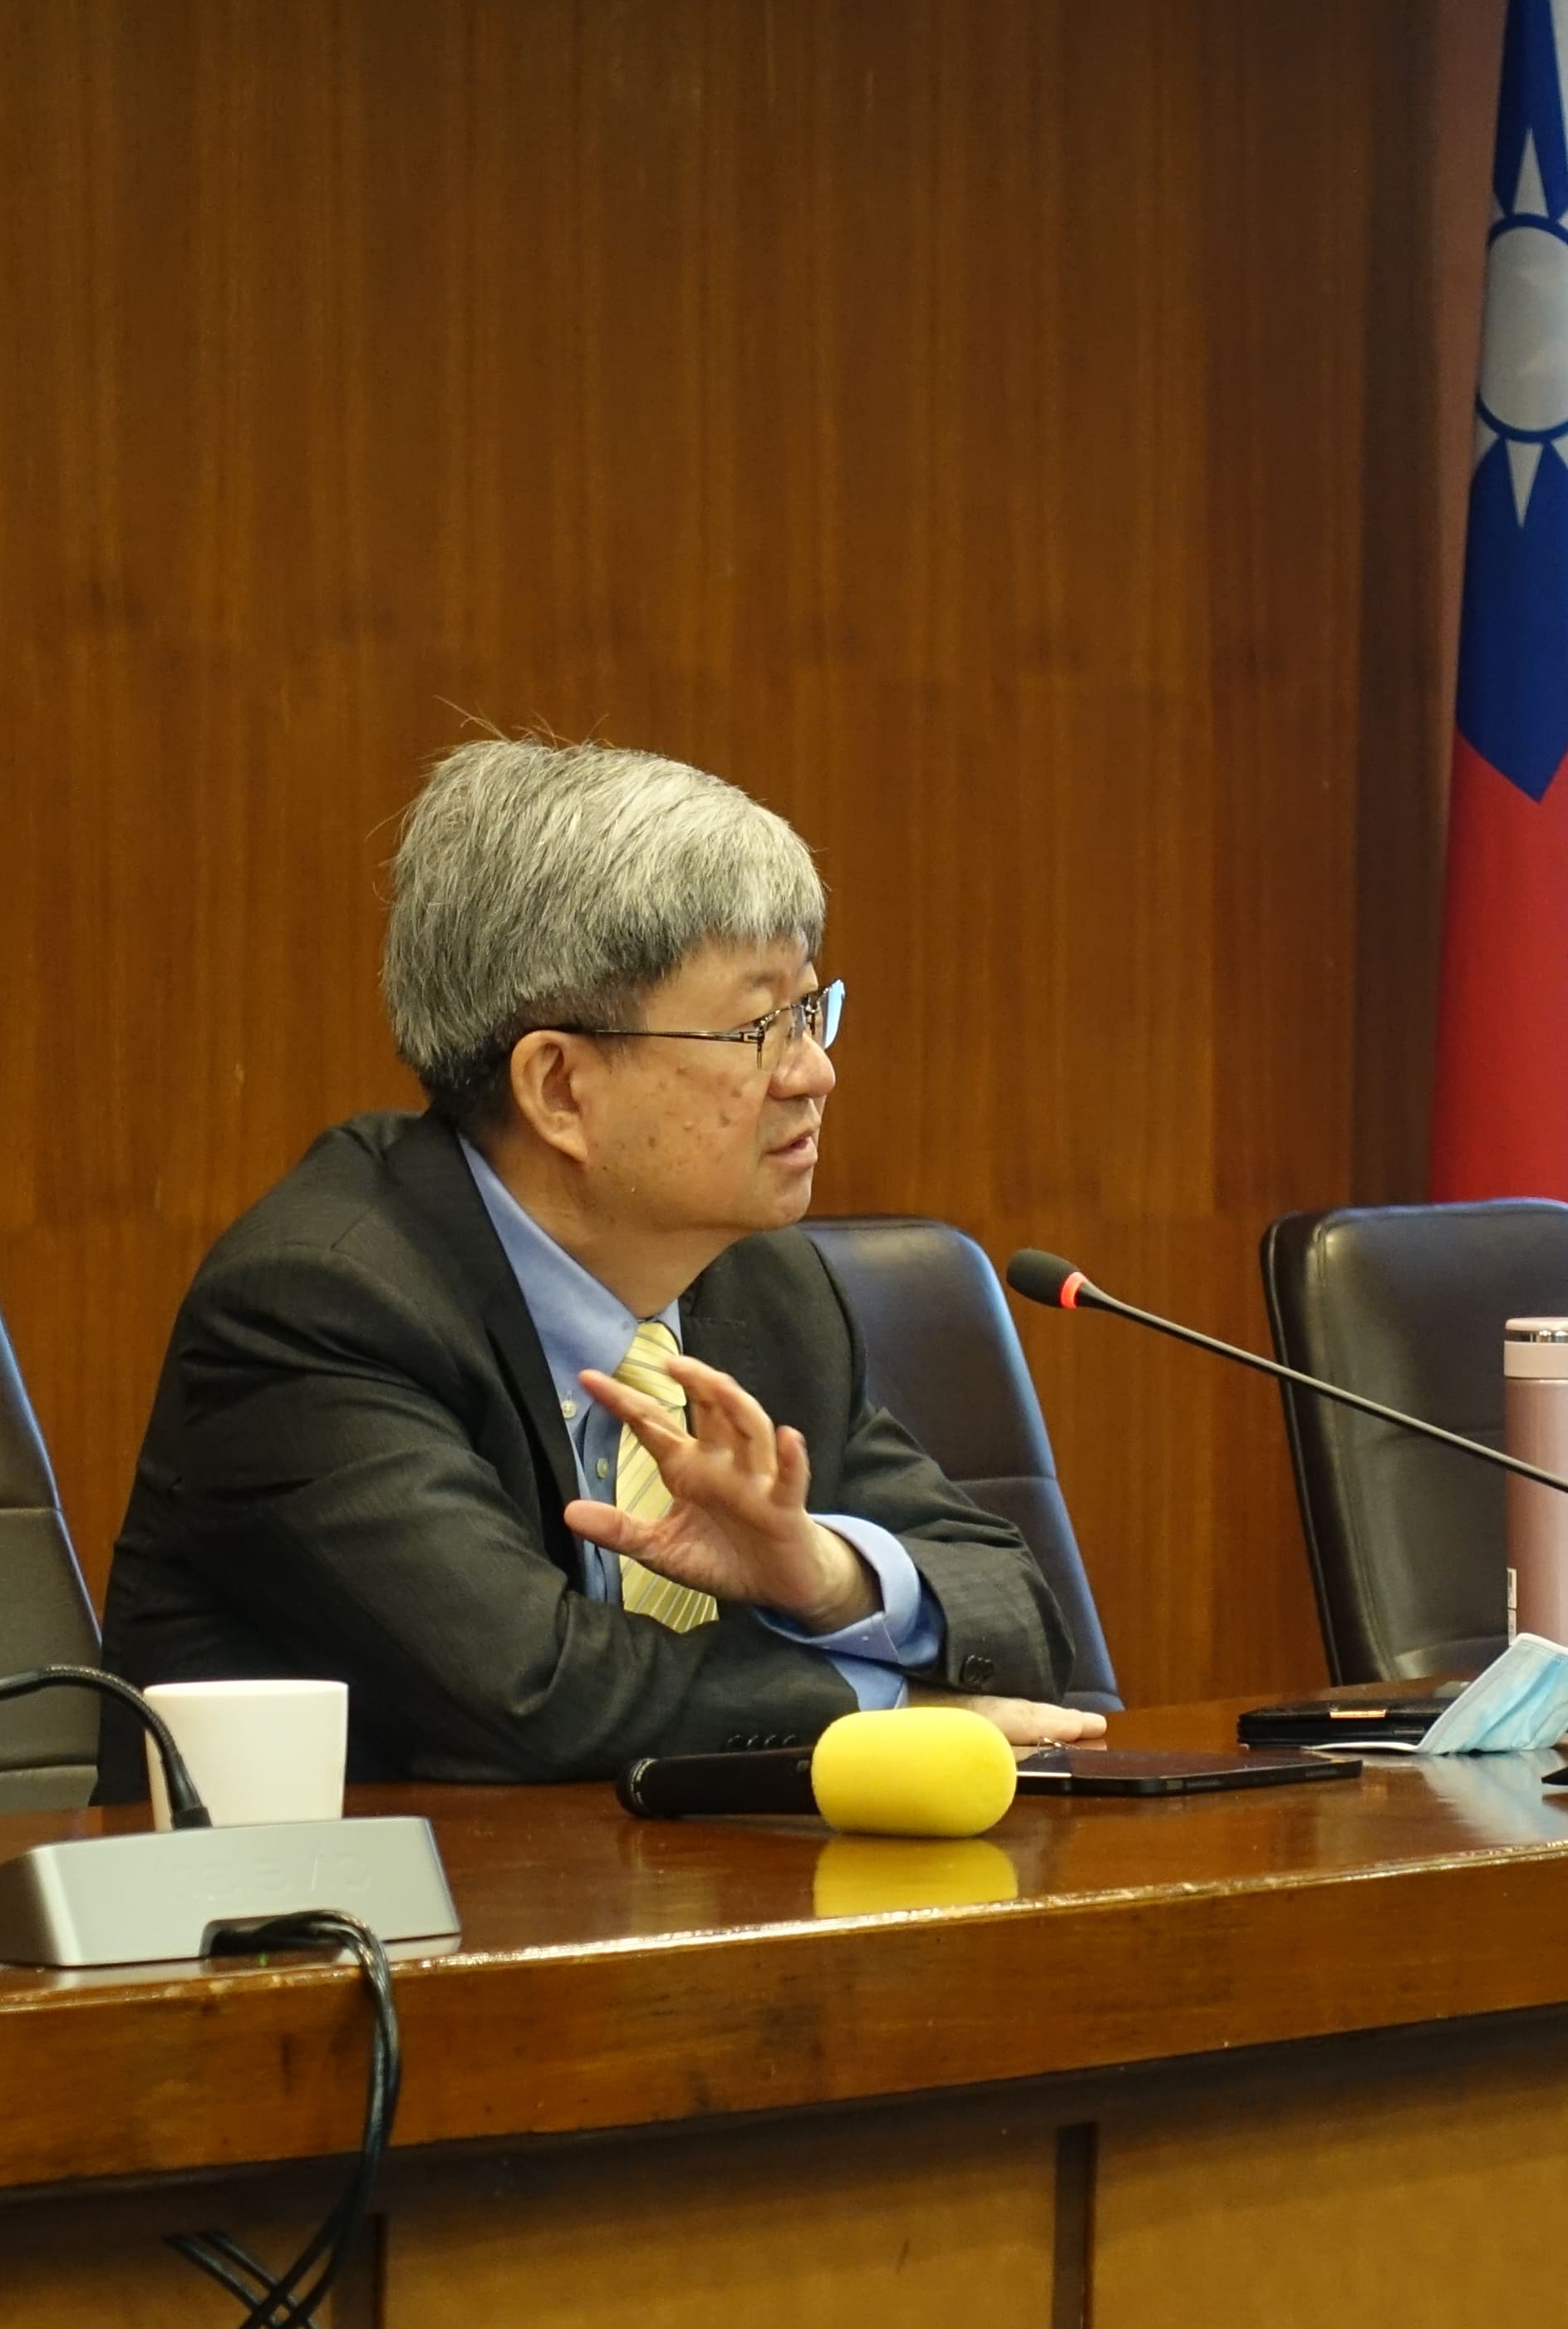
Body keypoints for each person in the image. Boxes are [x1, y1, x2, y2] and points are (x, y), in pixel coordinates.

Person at [106, 740, 1102, 1781]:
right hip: (350, 1886)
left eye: (811, 1009)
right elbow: (531, 1687)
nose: (815, 1072)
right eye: (759, 1027)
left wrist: (825, 1575)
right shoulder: (320, 1304)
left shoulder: (765, 1287)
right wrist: (895, 1708)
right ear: (560, 1089)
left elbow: (1017, 1613)